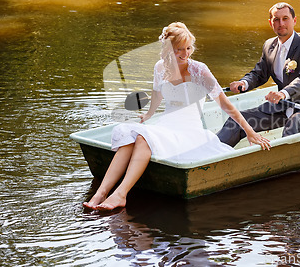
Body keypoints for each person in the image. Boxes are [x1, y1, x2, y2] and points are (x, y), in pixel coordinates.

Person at [84, 22, 270, 211]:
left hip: (188, 130)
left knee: (142, 138)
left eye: (188, 48)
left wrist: (249, 131)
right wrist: (148, 114)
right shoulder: (159, 68)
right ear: (167, 50)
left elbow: (225, 104)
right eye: (179, 49)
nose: (185, 53)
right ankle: (100, 193)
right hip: (166, 124)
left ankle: (121, 194)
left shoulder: (199, 70)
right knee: (128, 137)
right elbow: (157, 94)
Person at [217, 2, 300, 147]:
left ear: (294, 20)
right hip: (283, 107)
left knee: (294, 123)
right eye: (276, 19)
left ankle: (281, 164)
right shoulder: (269, 46)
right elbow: (259, 73)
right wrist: (244, 83)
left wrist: (283, 93)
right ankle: (210, 155)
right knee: (237, 120)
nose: (281, 23)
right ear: (271, 23)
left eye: (285, 18)